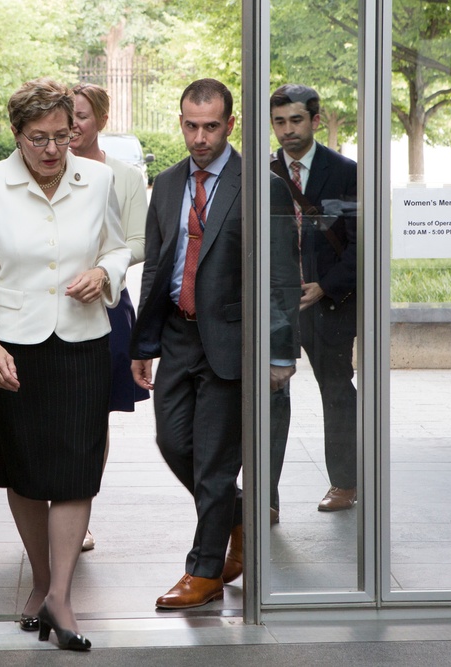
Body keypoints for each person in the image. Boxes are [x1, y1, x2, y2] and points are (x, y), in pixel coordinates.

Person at [0, 78, 130, 651]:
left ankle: (61, 594)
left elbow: (117, 245)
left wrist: (105, 274)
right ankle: (41, 579)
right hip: (11, 348)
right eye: (40, 139)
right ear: (17, 135)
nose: (55, 149)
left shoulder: (98, 177)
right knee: (26, 472)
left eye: (64, 135)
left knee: (78, 470)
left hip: (82, 343)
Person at [130, 78, 299, 609]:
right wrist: (144, 342)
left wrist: (278, 351)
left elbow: (281, 276)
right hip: (178, 335)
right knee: (173, 442)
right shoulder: (168, 181)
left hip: (232, 341)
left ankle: (203, 571)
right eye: (190, 125)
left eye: (210, 126)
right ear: (180, 121)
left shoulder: (260, 182)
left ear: (229, 124)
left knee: (215, 463)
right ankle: (239, 513)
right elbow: (159, 266)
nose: (199, 137)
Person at [269, 84, 359, 519]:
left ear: (315, 121)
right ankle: (265, 496)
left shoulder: (346, 171)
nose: (287, 130)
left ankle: (345, 482)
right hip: (276, 307)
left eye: (296, 120)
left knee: (338, 391)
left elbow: (364, 243)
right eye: (279, 121)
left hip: (330, 304)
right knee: (269, 397)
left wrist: (325, 286)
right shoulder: (261, 173)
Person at [69, 83, 150, 553]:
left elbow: (139, 241)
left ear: (100, 118)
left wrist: (102, 268)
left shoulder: (123, 177)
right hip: (52, 309)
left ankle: (80, 513)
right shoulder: (48, 169)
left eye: (81, 116)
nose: (73, 126)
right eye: (67, 116)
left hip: (108, 306)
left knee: (94, 417)